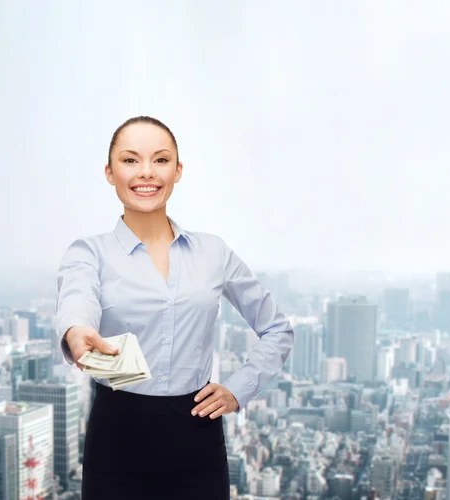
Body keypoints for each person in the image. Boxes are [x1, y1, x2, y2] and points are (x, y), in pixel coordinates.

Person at [56, 116, 294, 500]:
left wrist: (238, 389)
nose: (146, 172)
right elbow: (76, 300)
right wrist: (76, 330)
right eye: (130, 160)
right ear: (109, 172)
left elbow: (278, 329)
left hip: (197, 437)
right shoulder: (89, 252)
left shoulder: (214, 252)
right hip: (117, 439)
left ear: (178, 170)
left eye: (161, 160)